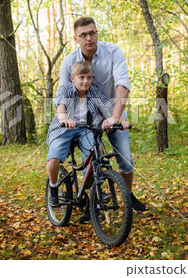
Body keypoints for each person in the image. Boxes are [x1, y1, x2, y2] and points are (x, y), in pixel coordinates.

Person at [58, 17, 147, 212]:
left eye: (92, 33)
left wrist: (116, 117)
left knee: (125, 158)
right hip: (83, 116)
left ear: (97, 33)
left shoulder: (113, 52)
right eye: (83, 35)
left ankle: (128, 197)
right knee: (91, 157)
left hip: (113, 110)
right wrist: (66, 119)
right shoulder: (69, 61)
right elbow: (63, 94)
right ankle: (92, 203)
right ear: (76, 38)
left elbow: (123, 84)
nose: (89, 38)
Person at [46, 61, 116, 211]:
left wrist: (118, 120)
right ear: (73, 78)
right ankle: (53, 187)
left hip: (85, 129)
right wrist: (64, 119)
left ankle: (93, 189)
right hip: (63, 128)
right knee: (54, 160)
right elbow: (61, 104)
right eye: (82, 77)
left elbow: (106, 107)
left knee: (98, 152)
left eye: (89, 77)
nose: (86, 81)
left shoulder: (94, 91)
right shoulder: (65, 88)